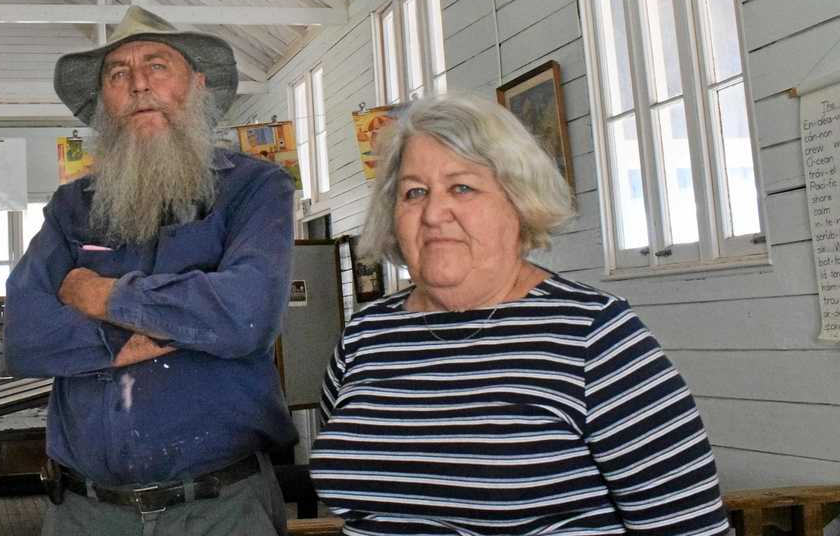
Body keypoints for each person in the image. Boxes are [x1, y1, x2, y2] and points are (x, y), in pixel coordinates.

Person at [309, 92, 729, 535]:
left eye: (462, 187)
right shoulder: (366, 336)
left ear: (517, 203)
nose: (434, 213)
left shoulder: (594, 337)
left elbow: (689, 526)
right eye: (415, 193)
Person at [5, 6, 297, 536]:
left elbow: (247, 316)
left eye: (158, 65)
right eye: (118, 74)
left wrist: (100, 296)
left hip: (223, 508)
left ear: (197, 85)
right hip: (83, 514)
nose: (139, 84)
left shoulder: (256, 188)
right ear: (104, 105)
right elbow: (24, 335)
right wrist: (158, 329)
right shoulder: (71, 208)